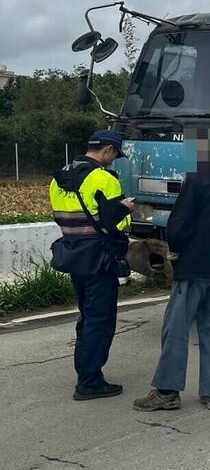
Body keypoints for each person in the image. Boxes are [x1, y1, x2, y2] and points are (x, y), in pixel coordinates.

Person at [134, 127, 210, 412]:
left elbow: (179, 225)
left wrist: (175, 248)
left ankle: (166, 391)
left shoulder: (196, 183)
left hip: (195, 266)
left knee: (177, 328)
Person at [49, 130, 133, 401]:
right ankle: (90, 381)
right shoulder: (104, 179)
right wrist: (126, 210)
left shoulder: (59, 177)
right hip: (100, 258)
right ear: (107, 150)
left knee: (86, 316)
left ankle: (84, 370)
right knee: (101, 319)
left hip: (73, 253)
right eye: (116, 154)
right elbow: (117, 225)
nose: (115, 160)